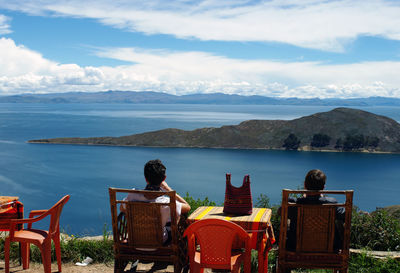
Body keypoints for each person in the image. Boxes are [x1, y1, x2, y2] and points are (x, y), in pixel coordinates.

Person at [123, 159, 191, 244]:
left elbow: (122, 208)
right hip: (158, 243)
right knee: (179, 219)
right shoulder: (166, 202)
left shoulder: (132, 194)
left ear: (145, 178)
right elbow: (187, 207)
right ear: (164, 178)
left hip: (134, 242)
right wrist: (169, 190)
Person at [283, 169, 345, 251]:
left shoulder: (294, 204)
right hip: (328, 249)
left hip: (295, 247)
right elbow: (345, 216)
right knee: (338, 221)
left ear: (305, 185)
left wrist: (303, 198)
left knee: (288, 218)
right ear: (323, 187)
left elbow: (280, 212)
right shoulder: (332, 204)